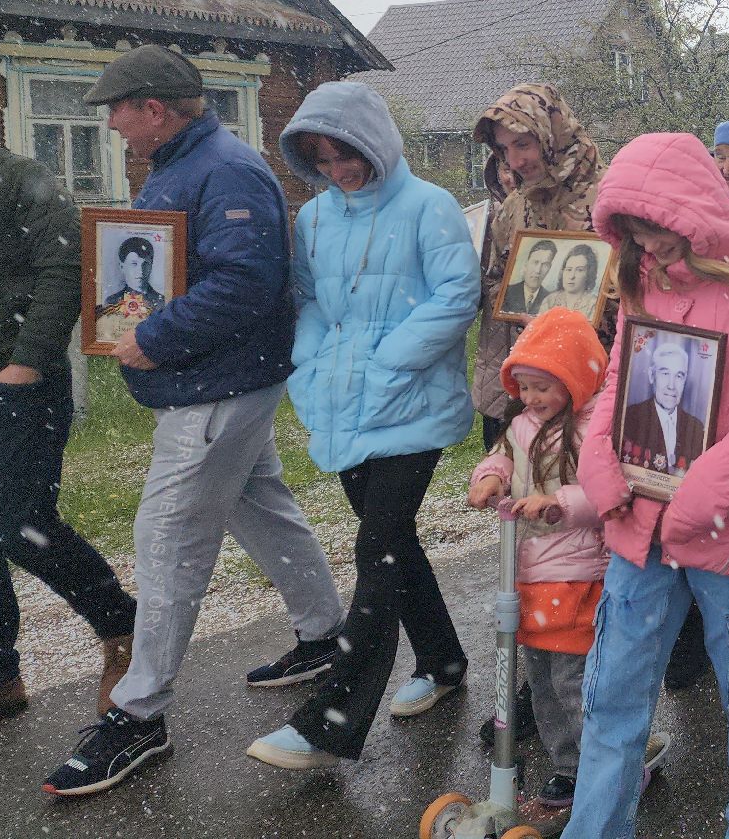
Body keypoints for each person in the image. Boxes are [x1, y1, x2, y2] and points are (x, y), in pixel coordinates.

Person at [46, 45, 345, 796]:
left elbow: (249, 282)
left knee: (169, 536)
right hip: (211, 382)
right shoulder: (183, 164)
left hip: (218, 388)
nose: (111, 125)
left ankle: (139, 712)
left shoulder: (226, 169)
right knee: (262, 508)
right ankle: (324, 637)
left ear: (153, 108)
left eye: (116, 110)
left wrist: (151, 336)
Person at [563, 132, 729, 839]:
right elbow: (620, 378)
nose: (650, 245)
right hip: (639, 532)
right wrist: (601, 464)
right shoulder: (642, 279)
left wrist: (706, 489)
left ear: (696, 212)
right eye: (634, 233)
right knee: (611, 700)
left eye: (659, 227)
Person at [242, 82, 480, 770]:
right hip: (340, 403)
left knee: (375, 550)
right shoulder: (313, 219)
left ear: (374, 141)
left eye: (346, 153)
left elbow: (456, 294)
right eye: (321, 157)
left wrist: (386, 365)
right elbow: (309, 299)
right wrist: (312, 368)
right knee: (394, 546)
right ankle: (442, 661)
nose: (338, 169)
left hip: (412, 405)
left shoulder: (430, 207)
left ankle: (332, 722)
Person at [0, 55, 137, 746]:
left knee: (19, 526)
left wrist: (24, 365)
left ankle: (122, 628)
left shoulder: (20, 180)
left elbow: (63, 269)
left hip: (16, 389)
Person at [464, 306, 669, 812]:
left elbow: (607, 491)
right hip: (527, 576)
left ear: (575, 380)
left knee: (575, 683)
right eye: (525, 387)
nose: (532, 399)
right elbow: (502, 455)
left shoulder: (590, 429)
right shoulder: (522, 426)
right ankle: (567, 768)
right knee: (540, 686)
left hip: (578, 575)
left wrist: (559, 504)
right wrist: (489, 476)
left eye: (543, 387)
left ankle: (611, 767)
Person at [473, 83, 603, 449]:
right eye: (504, 149)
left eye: (522, 144)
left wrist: (580, 320)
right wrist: (520, 309)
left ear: (551, 136)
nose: (513, 162)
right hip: (528, 385)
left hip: (593, 387)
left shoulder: (611, 196)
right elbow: (497, 280)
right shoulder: (515, 207)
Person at [618, 338, 706, 477]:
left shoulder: (696, 428)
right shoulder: (630, 418)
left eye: (679, 375)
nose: (671, 385)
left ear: (685, 380)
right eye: (665, 373)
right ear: (652, 376)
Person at [97, 236, 168, 318]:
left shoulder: (162, 302)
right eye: (134, 264)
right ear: (122, 266)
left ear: (151, 265)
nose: (141, 271)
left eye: (146, 264)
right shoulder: (111, 302)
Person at [538, 242, 603, 317]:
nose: (572, 276)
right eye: (569, 270)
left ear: (588, 274)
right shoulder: (550, 300)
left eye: (579, 270)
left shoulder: (593, 304)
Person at [502, 239, 557, 315]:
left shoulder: (552, 300)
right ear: (526, 264)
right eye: (535, 262)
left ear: (549, 268)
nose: (538, 270)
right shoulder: (507, 292)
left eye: (545, 265)